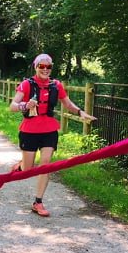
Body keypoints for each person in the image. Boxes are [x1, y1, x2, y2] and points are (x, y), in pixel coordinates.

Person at [9, 53, 97, 217]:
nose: (45, 69)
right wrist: (24, 105)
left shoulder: (56, 85)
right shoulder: (27, 85)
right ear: (35, 67)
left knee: (46, 164)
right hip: (29, 130)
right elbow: (12, 106)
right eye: (41, 66)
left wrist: (80, 112)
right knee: (28, 169)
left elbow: (67, 103)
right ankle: (21, 166)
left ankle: (38, 202)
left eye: (48, 66)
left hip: (49, 129)